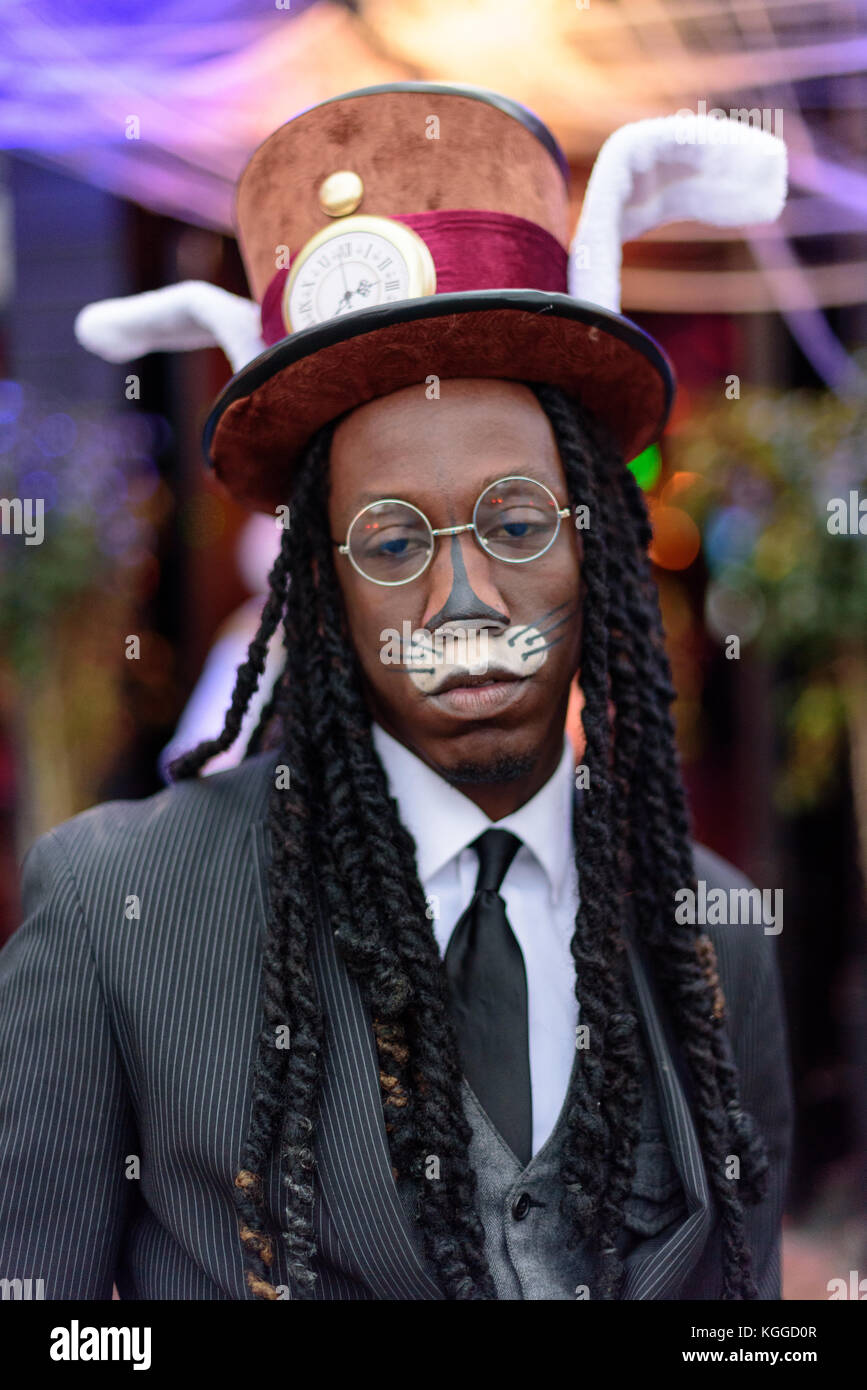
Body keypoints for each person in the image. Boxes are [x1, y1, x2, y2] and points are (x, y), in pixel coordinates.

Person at [0, 83, 792, 1301]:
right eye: (389, 541)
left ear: (596, 546)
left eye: (518, 522)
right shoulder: (114, 906)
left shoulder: (714, 928)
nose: (462, 598)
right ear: (322, 584)